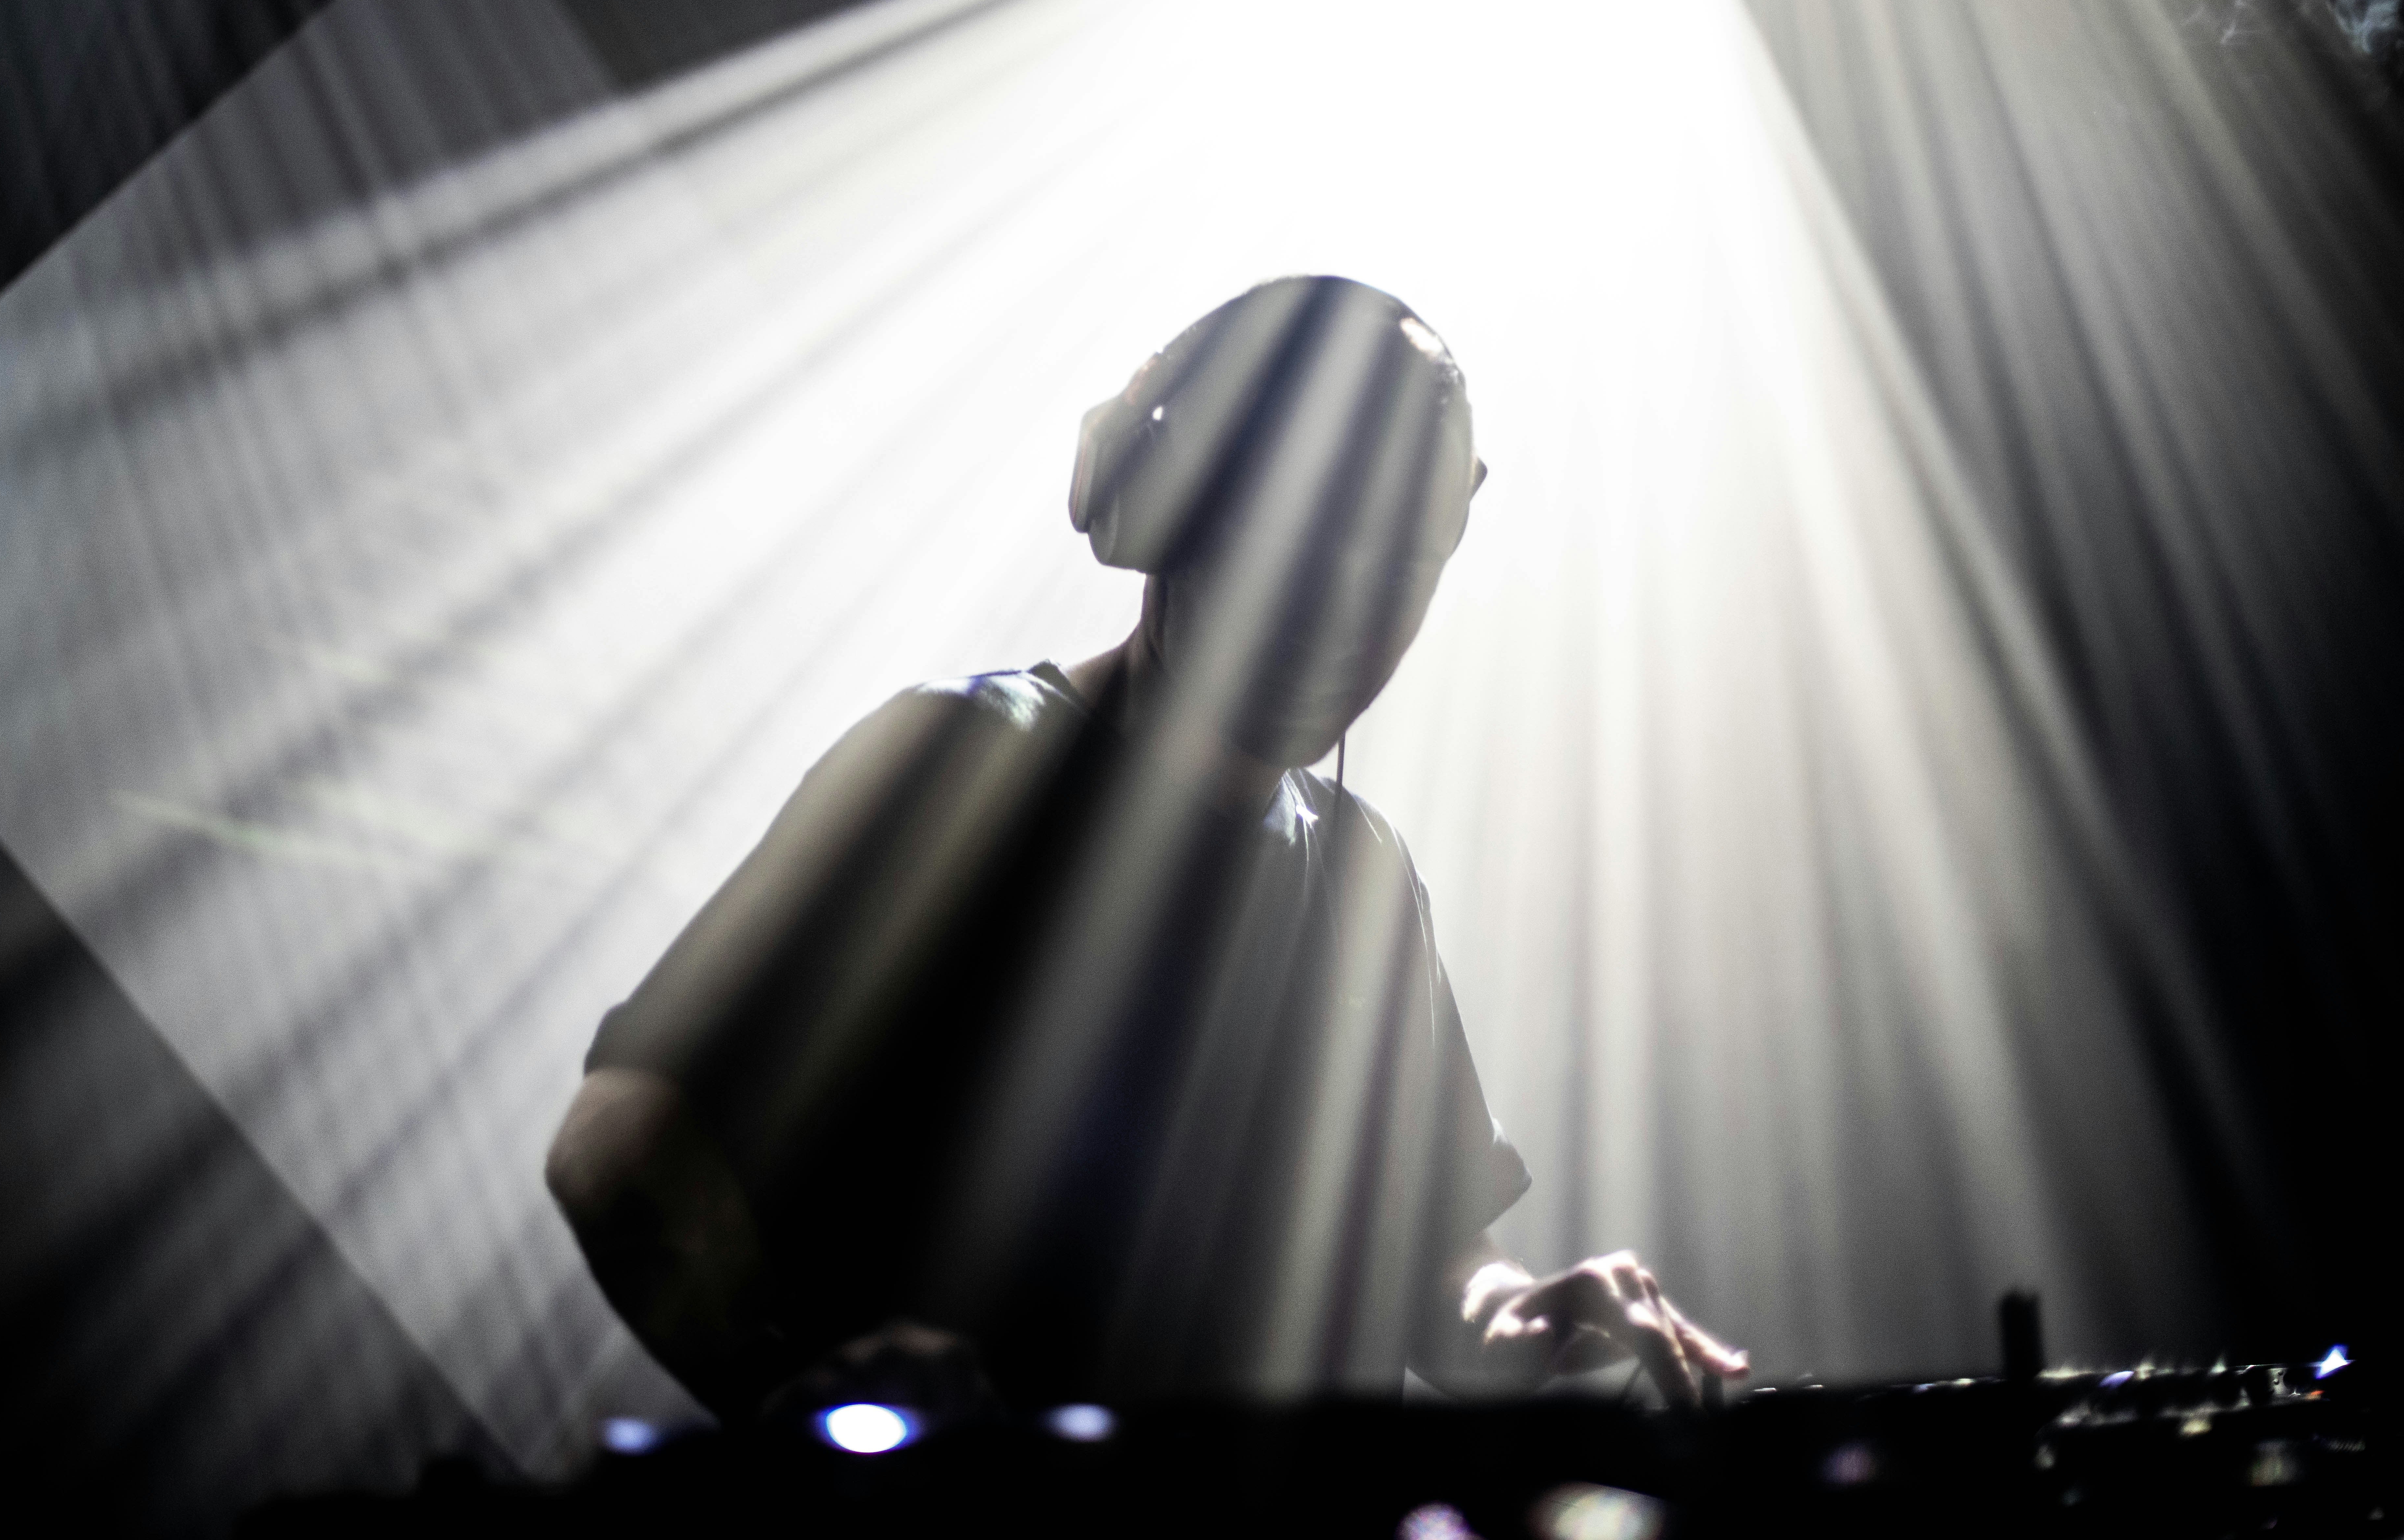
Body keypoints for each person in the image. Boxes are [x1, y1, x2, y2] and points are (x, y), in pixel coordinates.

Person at [546, 277, 1745, 1425]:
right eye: (1303, 547)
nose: (1347, 617)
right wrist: (798, 1393)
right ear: (1167, 507)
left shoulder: (1369, 880)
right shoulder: (959, 765)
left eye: (1398, 570)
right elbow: (621, 1139)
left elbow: (1431, 1261)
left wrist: (1516, 1313)